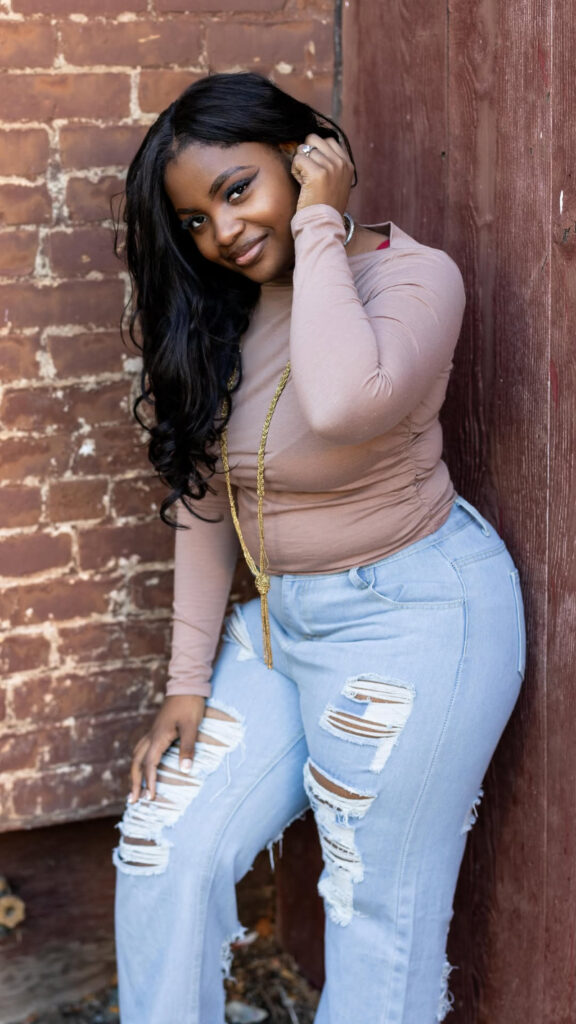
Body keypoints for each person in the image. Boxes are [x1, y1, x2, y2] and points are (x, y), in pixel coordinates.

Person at [113, 72, 525, 1024]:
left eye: (236, 189)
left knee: (374, 909)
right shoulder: (223, 313)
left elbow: (343, 402)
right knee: (163, 844)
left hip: (416, 620)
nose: (221, 232)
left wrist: (320, 224)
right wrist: (186, 680)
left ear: (307, 159)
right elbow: (209, 501)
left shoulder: (414, 277)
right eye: (194, 220)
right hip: (280, 634)